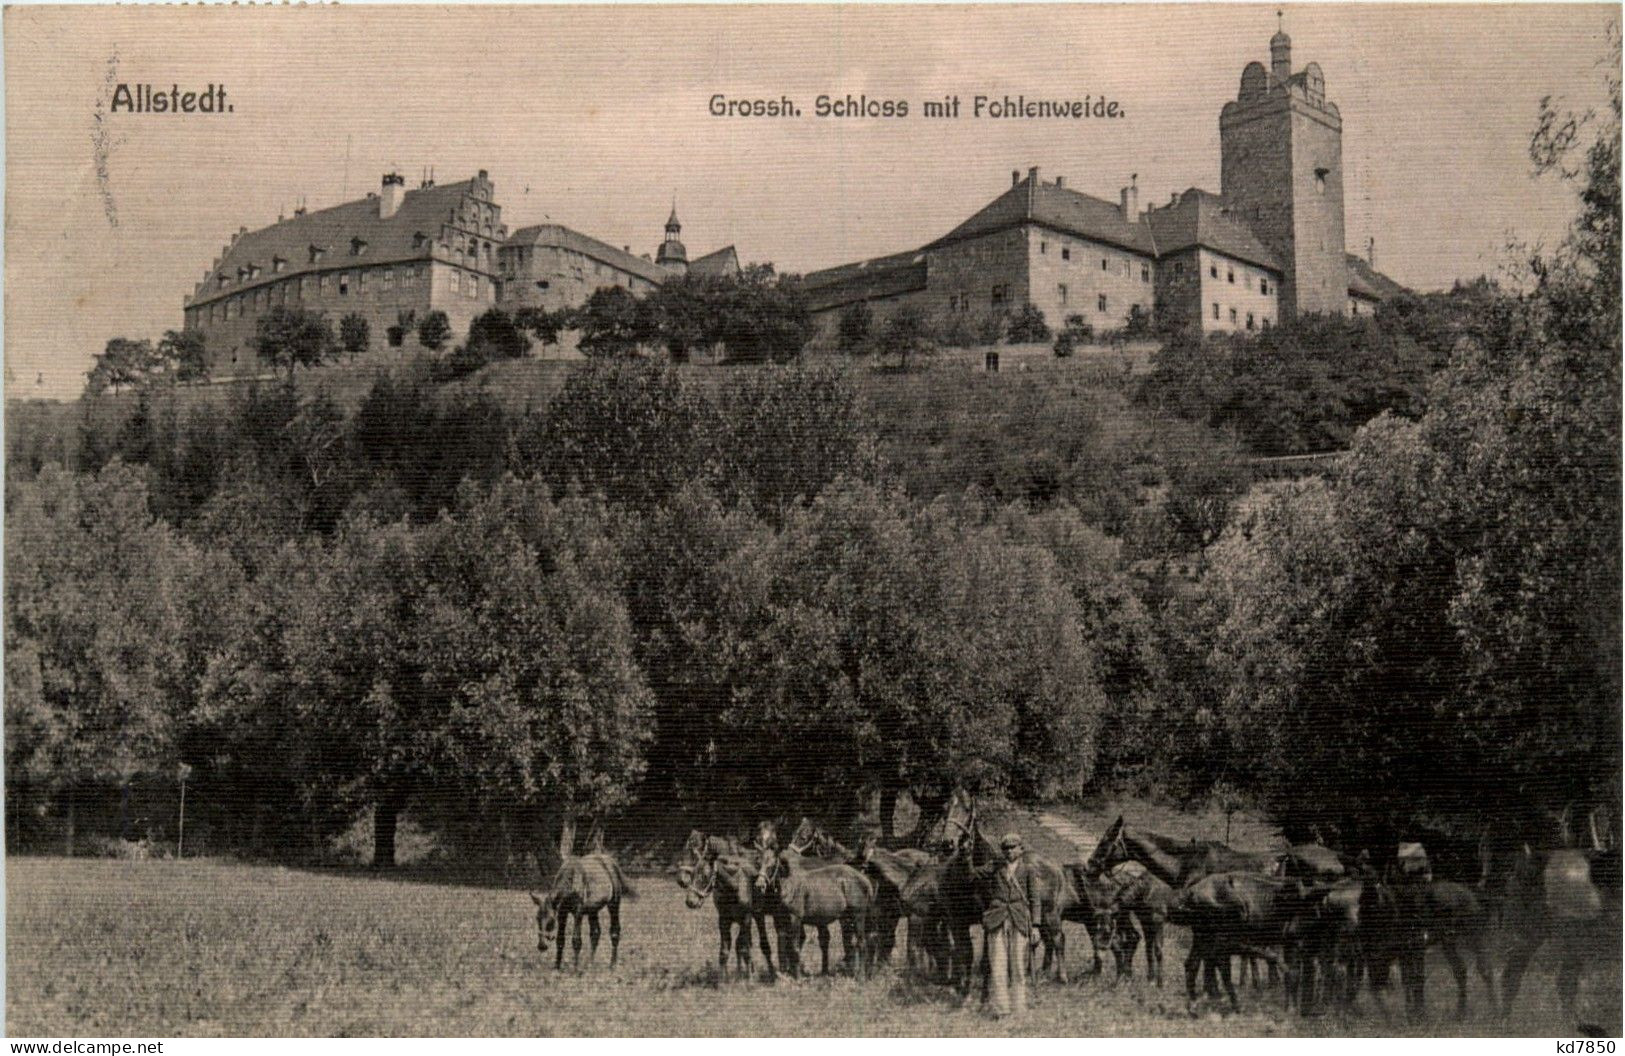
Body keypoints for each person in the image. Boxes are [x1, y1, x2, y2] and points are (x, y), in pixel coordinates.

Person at [976, 831, 1041, 1019]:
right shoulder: (995, 867)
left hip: (1020, 921)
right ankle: (1002, 1009)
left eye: (1013, 847)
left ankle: (1019, 1007)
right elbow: (974, 874)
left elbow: (1035, 899)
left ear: (1021, 849)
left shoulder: (1028, 869)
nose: (1009, 851)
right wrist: (963, 857)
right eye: (1005, 848)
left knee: (1019, 966)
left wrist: (1035, 926)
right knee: (998, 965)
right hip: (997, 920)